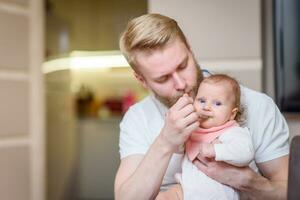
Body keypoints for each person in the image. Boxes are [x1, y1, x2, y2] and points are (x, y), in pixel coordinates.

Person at [114, 13, 289, 200]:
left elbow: (290, 191)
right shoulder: (138, 118)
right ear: (142, 80)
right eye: (163, 78)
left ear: (190, 48)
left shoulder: (257, 105)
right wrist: (165, 142)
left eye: (182, 66)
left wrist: (249, 182)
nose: (180, 83)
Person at [156, 74, 255, 200]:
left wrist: (216, 150)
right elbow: (178, 149)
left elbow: (245, 153)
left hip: (220, 193)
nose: (206, 107)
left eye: (217, 103)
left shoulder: (232, 132)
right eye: (201, 100)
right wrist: (173, 132)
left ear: (232, 114)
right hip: (186, 189)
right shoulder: (192, 130)